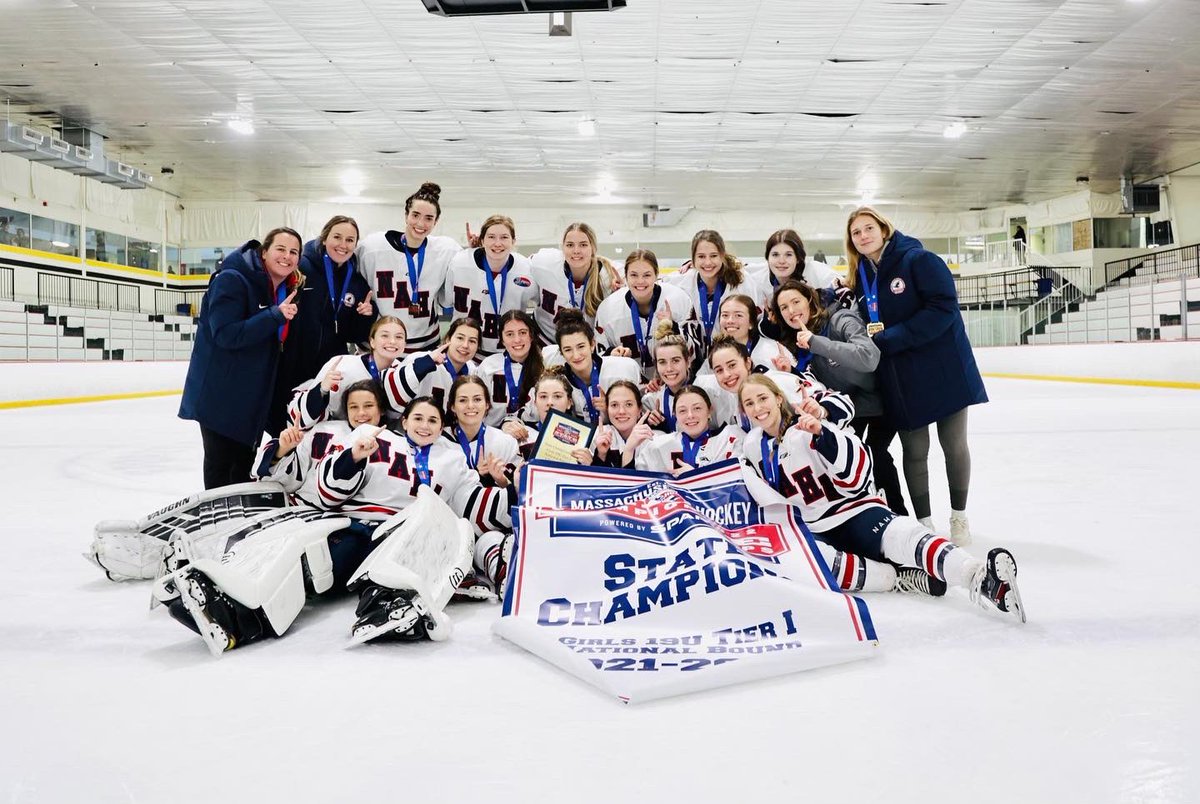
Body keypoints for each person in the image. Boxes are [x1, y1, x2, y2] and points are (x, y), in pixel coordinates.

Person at [738, 374, 1024, 620]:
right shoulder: (752, 448)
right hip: (814, 529)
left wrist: (823, 435)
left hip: (854, 510)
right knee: (812, 564)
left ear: (778, 398)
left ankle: (979, 577)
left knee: (906, 535)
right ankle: (898, 578)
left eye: (762, 398)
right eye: (749, 403)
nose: (757, 408)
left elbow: (857, 471)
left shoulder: (808, 424)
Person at [845, 206, 987, 543]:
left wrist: (892, 337)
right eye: (856, 232)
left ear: (884, 228)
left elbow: (943, 308)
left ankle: (959, 517)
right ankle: (924, 523)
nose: (864, 236)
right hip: (902, 375)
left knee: (953, 444)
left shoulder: (918, 260)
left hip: (942, 368)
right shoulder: (862, 277)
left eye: (869, 228)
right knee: (915, 449)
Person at [179, 227, 303, 489]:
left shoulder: (281, 288)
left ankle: (236, 525)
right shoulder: (232, 279)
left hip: (251, 398)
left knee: (241, 471)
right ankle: (216, 526)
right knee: (221, 470)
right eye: (280, 249)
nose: (287, 256)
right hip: (221, 396)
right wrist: (274, 315)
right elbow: (225, 334)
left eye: (294, 252)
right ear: (264, 252)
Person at [770, 279, 907, 515]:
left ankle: (898, 515)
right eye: (784, 307)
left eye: (796, 302)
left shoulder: (840, 319)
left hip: (881, 403)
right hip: (850, 406)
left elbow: (868, 357)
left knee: (875, 454)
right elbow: (819, 381)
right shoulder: (798, 340)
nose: (791, 311)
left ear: (810, 300)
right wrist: (792, 373)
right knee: (838, 455)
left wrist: (816, 342)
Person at [277, 215, 377, 433]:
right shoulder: (301, 268)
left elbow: (354, 334)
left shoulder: (355, 280)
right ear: (324, 238)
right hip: (294, 364)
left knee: (323, 427)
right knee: (289, 428)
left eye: (350, 240)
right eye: (337, 237)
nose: (343, 245)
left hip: (330, 368)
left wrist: (365, 315)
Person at [357, 182, 462, 354]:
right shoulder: (372, 247)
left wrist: (476, 249)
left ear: (436, 222)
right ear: (406, 215)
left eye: (429, 218)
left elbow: (471, 266)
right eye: (415, 215)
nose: (421, 223)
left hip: (425, 347)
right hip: (379, 347)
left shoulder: (446, 250)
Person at [593, 248, 695, 381]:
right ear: (626, 276)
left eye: (646, 275)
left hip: (671, 382)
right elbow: (598, 357)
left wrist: (674, 328)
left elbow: (693, 353)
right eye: (634, 275)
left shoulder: (677, 299)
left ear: (656, 274)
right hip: (628, 386)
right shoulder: (608, 308)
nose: (640, 281)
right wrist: (612, 354)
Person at [288, 316, 407, 428]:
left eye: (399, 337)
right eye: (385, 336)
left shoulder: (403, 373)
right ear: (372, 341)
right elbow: (301, 418)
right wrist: (322, 390)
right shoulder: (343, 365)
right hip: (335, 432)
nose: (392, 341)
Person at [444, 214, 537, 356]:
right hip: (466, 353)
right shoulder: (459, 263)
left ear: (513, 241)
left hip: (509, 353)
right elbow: (447, 302)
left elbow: (538, 302)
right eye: (491, 237)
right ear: (482, 240)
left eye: (504, 237)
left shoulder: (526, 268)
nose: (497, 243)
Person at [663, 230, 765, 355]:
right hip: (696, 357)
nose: (707, 262)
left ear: (722, 256)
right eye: (701, 256)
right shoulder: (681, 282)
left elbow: (754, 321)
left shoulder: (742, 281)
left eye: (713, 256)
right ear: (693, 259)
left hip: (735, 354)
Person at [546, 310, 642, 426]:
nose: (576, 355)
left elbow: (638, 414)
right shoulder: (557, 381)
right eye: (568, 350)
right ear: (561, 352)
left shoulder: (622, 369)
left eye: (581, 346)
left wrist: (609, 409)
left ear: (592, 345)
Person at [529, 222, 621, 342]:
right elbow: (517, 268)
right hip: (544, 340)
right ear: (562, 248)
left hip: (586, 347)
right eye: (570, 245)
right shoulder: (544, 263)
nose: (576, 250)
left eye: (583, 245)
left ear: (593, 248)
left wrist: (622, 293)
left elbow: (646, 284)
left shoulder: (611, 274)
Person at [381, 317, 481, 415]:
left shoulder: (473, 372)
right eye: (460, 338)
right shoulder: (420, 359)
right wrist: (424, 364)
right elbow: (391, 396)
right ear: (447, 339)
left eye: (472, 341)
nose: (465, 345)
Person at [635, 385, 744, 474]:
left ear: (709, 411)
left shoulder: (729, 439)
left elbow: (737, 484)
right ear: (675, 415)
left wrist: (696, 477)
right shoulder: (658, 445)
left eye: (697, 408)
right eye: (682, 411)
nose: (690, 415)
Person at [501, 371, 595, 465]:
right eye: (543, 396)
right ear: (535, 402)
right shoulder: (521, 433)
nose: (549, 402)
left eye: (557, 396)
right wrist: (506, 424)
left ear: (569, 403)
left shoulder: (584, 439)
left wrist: (589, 467)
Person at [445, 374, 520, 489]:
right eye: (463, 400)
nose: (470, 406)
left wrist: (500, 479)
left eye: (477, 399)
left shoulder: (506, 442)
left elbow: (517, 491)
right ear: (453, 407)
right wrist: (476, 474)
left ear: (487, 405)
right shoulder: (440, 441)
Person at [473, 310, 545, 426]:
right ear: (502, 339)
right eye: (510, 334)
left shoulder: (544, 366)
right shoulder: (488, 366)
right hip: (493, 436)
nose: (517, 340)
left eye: (522, 332)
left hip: (532, 434)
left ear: (531, 335)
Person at [699, 293, 785, 374]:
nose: (730, 321)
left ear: (751, 323)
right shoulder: (715, 355)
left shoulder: (771, 350)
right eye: (725, 315)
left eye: (738, 315)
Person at [752, 229, 841, 292]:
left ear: (798, 258)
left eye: (788, 255)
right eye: (775, 255)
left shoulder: (819, 274)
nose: (781, 261)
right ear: (767, 258)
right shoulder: (758, 280)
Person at [641, 330, 696, 432]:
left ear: (688, 362)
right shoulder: (652, 399)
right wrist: (651, 424)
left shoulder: (705, 390)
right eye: (662, 362)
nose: (669, 368)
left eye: (675, 360)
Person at [592, 380, 654, 468]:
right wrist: (601, 455)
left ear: (640, 409)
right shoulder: (597, 436)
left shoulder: (654, 440)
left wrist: (629, 449)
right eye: (614, 405)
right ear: (607, 409)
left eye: (628, 404)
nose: (621, 411)